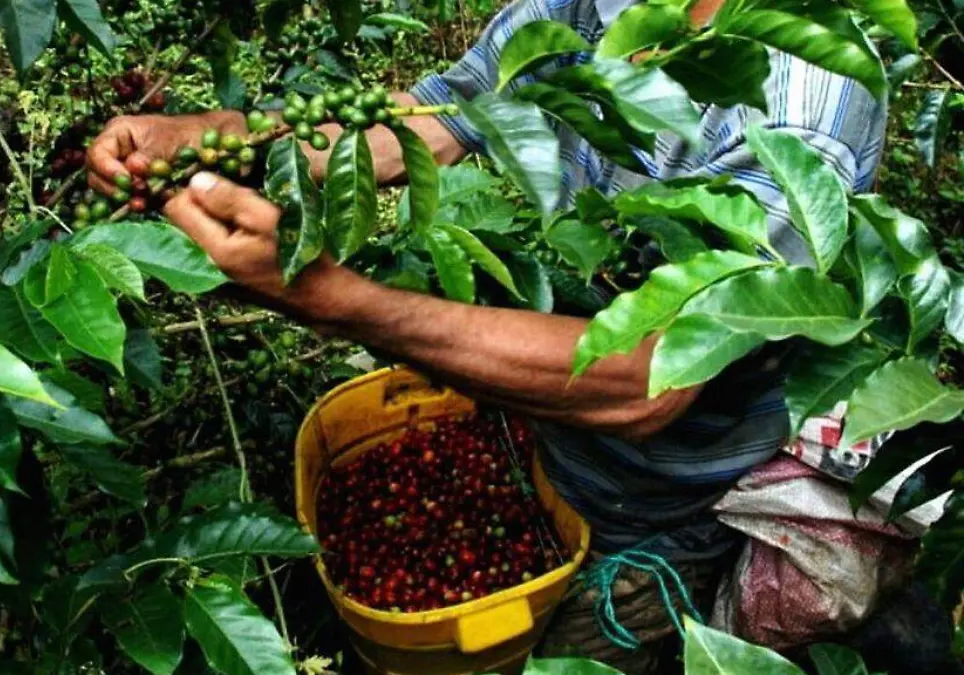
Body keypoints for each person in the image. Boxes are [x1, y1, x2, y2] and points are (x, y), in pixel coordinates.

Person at [86, 0, 887, 670]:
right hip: (545, 423)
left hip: (672, 491)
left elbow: (653, 378)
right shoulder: (589, 8)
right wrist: (228, 134)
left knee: (583, 642)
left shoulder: (803, 106)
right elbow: (438, 112)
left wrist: (336, 300)